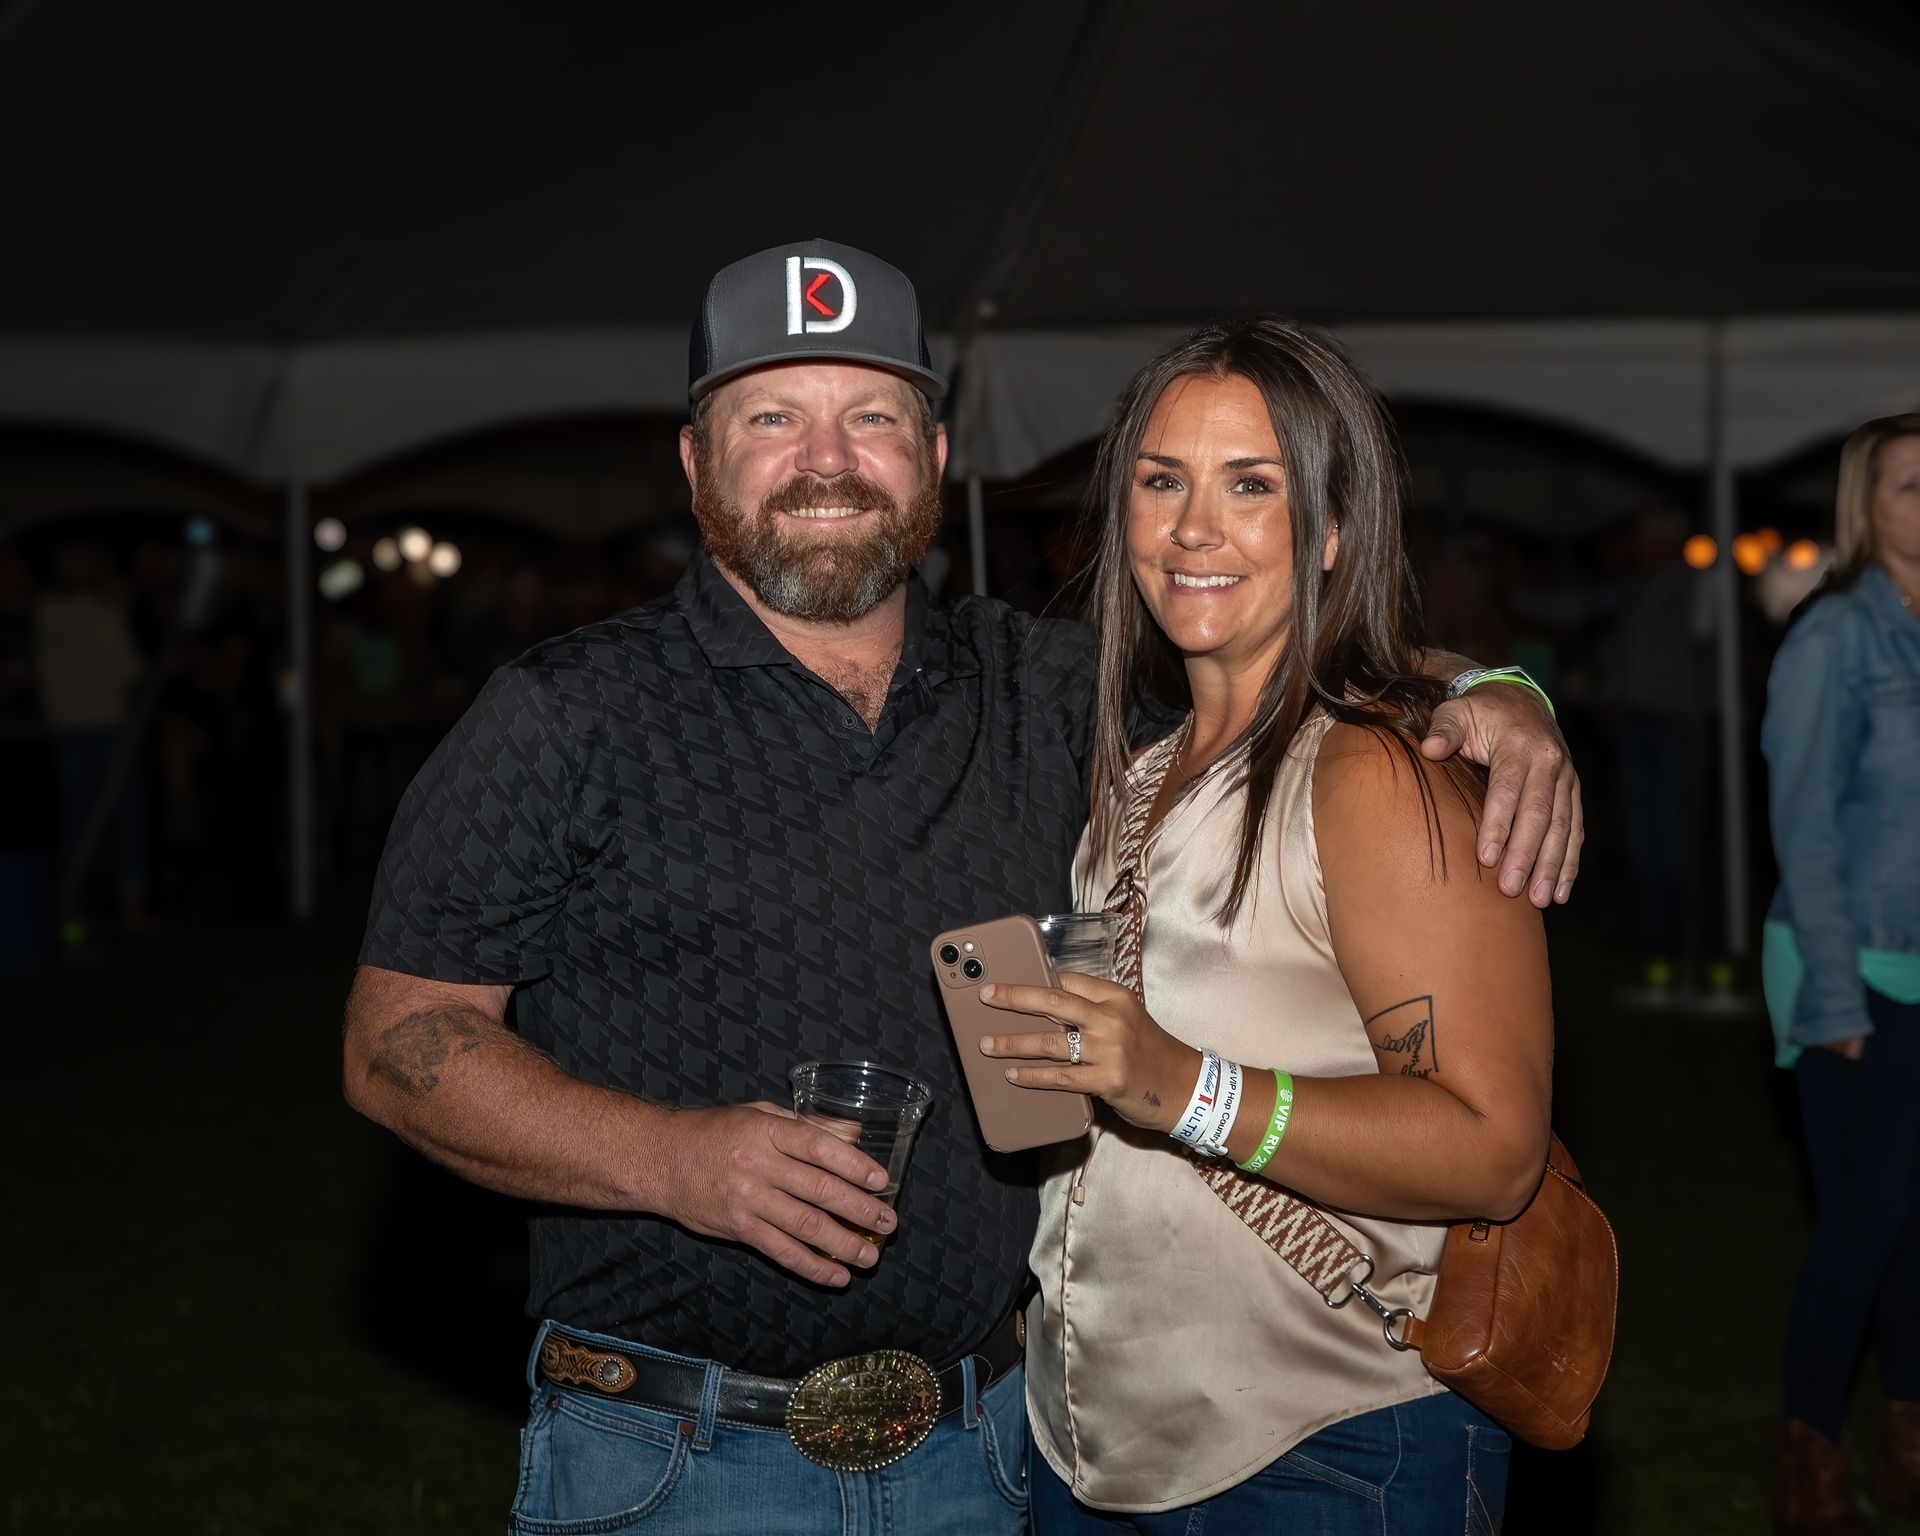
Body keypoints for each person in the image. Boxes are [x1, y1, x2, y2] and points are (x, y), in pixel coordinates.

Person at [342, 241, 1581, 1536]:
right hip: (681, 1461)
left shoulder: (1054, 691)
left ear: (932, 463)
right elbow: (396, 1043)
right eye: (772, 417)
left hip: (995, 1454)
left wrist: (1494, 692)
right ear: (698, 465)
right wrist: (675, 1161)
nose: (827, 459)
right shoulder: (564, 717)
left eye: (871, 416)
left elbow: (1289, 650)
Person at [978, 318, 1554, 1533]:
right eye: (1162, 481)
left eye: (1254, 485)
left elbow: (1494, 1148)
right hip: (1090, 1446)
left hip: (1318, 1457)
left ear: (1335, 526)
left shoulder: (1373, 777)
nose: (1195, 529)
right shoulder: (1141, 773)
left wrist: (1179, 1082)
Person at [1760, 413, 1920, 1536]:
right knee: (1862, 1224)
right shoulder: (1835, 638)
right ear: (1867, 507)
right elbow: (1802, 823)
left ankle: (1908, 1441)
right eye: (1912, 487)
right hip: (1848, 965)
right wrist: (1829, 996)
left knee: (1916, 1222)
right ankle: (1808, 1463)